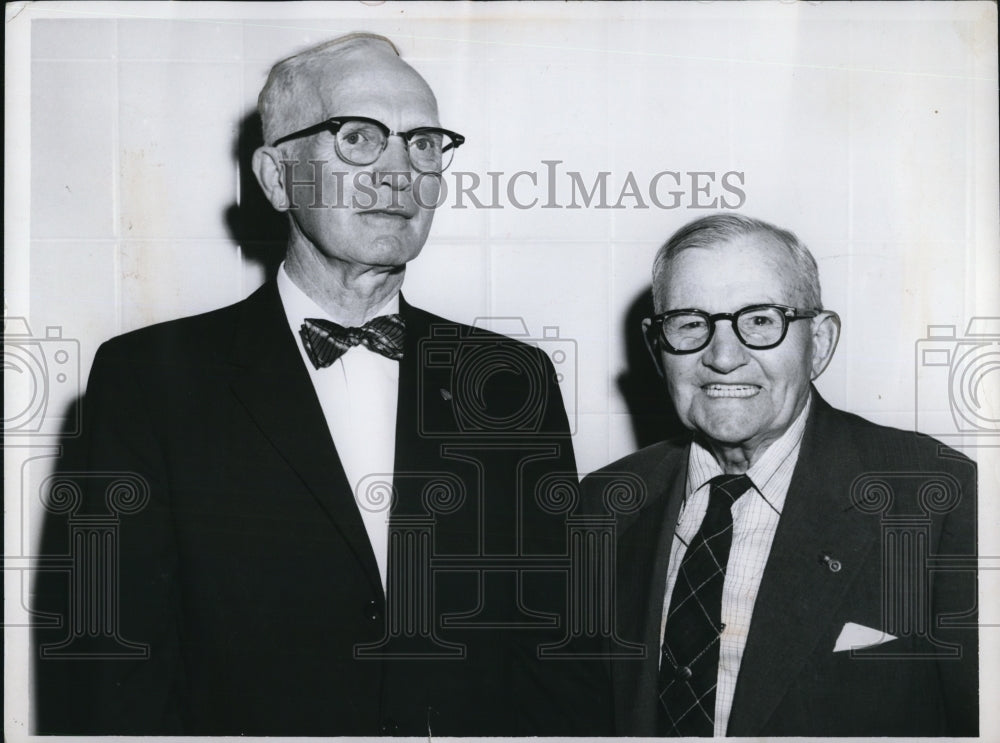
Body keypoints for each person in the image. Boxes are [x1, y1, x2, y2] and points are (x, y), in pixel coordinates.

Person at [34, 32, 594, 736]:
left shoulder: (514, 381)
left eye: (423, 143)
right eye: (358, 136)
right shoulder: (148, 381)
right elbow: (111, 670)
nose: (398, 173)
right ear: (275, 176)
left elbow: (563, 651)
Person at [583, 214, 977, 736]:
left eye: (761, 320)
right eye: (690, 323)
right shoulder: (601, 504)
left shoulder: (939, 497)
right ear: (658, 349)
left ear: (820, 342)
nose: (723, 357)